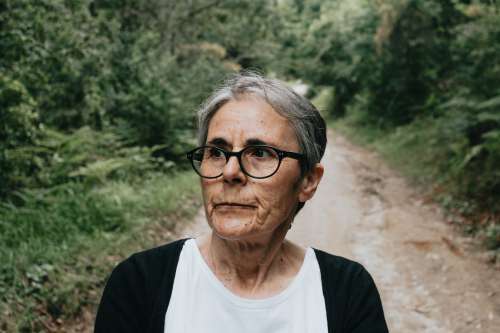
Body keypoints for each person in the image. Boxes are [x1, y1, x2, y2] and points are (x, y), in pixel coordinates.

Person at [94, 72, 389, 333]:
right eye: (216, 152)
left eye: (260, 153)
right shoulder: (140, 284)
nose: (230, 172)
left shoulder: (347, 291)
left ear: (308, 180)